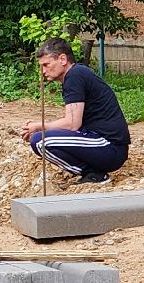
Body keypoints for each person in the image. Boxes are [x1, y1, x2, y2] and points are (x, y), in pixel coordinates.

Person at [22, 37, 130, 185]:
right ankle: (94, 172)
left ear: (62, 59)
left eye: (46, 65)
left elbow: (72, 123)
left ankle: (93, 174)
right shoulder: (77, 74)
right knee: (43, 138)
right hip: (106, 145)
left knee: (39, 141)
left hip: (108, 146)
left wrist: (39, 126)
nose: (43, 71)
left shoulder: (74, 76)